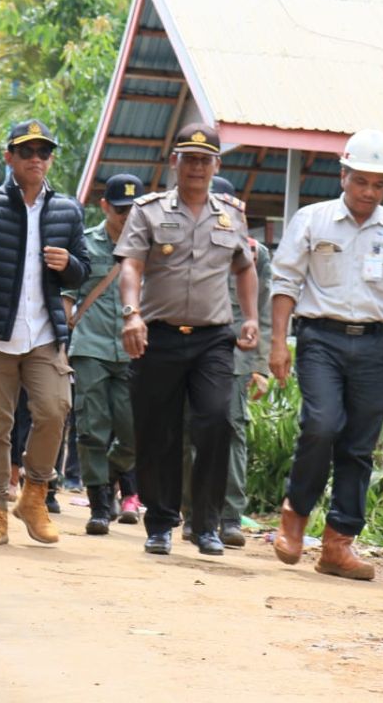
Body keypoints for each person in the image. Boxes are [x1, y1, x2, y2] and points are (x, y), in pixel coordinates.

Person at [268, 128, 383, 581]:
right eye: (362, 181)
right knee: (320, 425)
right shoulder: (313, 220)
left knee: (359, 444)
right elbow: (285, 283)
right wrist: (278, 343)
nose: (369, 192)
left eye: (379, 184)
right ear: (343, 175)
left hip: (375, 345)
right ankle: (294, 516)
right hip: (321, 338)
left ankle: (338, 543)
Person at [115, 123, 258, 557]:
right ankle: (160, 523)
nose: (197, 166)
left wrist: (250, 317)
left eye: (205, 159)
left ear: (217, 165)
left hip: (212, 339)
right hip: (156, 335)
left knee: (216, 421)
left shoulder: (232, 213)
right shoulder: (148, 210)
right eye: (189, 158)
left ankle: (206, 524)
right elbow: (131, 267)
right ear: (175, 161)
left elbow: (245, 266)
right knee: (157, 432)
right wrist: (131, 315)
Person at [0, 118, 89, 546]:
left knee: (53, 410)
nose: (36, 159)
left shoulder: (67, 209)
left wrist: (70, 265)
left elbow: (82, 271)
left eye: (43, 152)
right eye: (26, 152)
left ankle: (35, 495)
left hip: (45, 333)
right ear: (9, 157)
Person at [180, 176, 272, 549]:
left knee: (232, 431)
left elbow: (262, 312)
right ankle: (193, 514)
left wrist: (260, 366)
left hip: (233, 354)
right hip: (188, 349)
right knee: (189, 433)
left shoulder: (254, 252)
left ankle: (230, 517)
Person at [62, 173, 144, 535]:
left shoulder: (149, 246)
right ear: (105, 207)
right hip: (91, 346)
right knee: (93, 429)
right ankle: (98, 503)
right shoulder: (85, 243)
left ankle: (107, 477)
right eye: (121, 209)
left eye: (134, 209)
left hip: (133, 351)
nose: (127, 216)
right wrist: (64, 336)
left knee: (135, 433)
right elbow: (68, 293)